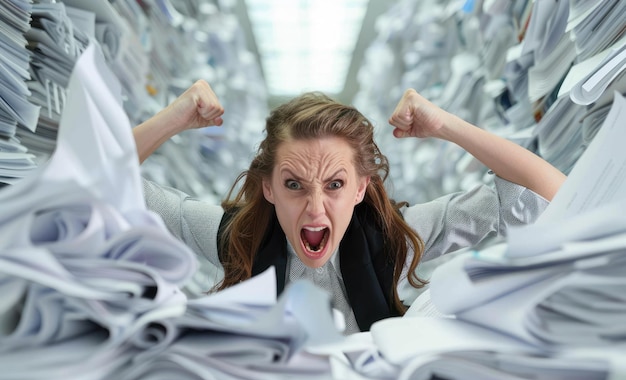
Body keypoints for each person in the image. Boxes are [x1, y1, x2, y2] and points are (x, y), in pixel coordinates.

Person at [133, 80, 566, 334]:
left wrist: (446, 125)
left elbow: (551, 194)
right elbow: (95, 184)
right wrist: (174, 118)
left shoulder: (395, 238)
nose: (315, 208)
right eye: (294, 185)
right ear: (267, 188)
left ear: (361, 188)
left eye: (335, 184)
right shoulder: (236, 238)